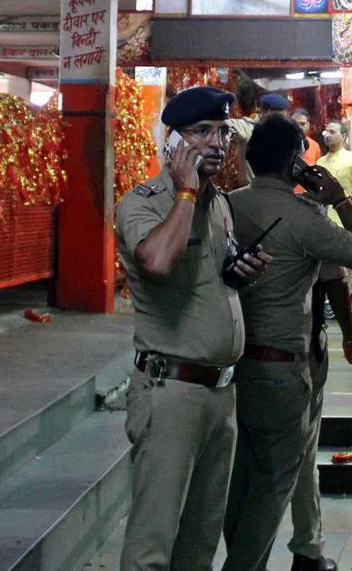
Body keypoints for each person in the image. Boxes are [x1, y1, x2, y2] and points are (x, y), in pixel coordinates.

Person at [114, 86, 271, 571]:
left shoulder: (218, 203)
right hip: (170, 392)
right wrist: (184, 192)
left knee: (199, 546)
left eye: (222, 131)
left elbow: (206, 274)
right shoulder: (142, 203)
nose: (216, 142)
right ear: (172, 142)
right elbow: (159, 260)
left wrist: (237, 271)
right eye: (201, 132)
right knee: (152, 549)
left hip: (220, 395)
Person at [222, 114, 352, 571]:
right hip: (280, 368)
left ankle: (249, 559)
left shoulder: (228, 206)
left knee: (241, 480)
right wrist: (340, 199)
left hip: (231, 365)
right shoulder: (304, 217)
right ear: (295, 162)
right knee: (274, 483)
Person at [288, 264, 352, 571]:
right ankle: (307, 547)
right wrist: (350, 335)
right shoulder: (305, 216)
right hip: (298, 354)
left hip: (243, 356)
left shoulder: (231, 215)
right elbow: (340, 272)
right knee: (301, 455)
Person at [317, 120, 352, 204]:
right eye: (326, 132)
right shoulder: (320, 162)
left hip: (346, 213)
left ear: (344, 136)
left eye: (332, 132)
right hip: (323, 213)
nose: (327, 135)